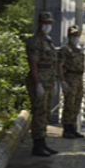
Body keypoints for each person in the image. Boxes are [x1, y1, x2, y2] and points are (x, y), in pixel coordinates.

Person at [25, 12, 59, 157]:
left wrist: (55, 80)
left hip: (49, 80)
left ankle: (43, 142)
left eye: (50, 23)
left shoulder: (48, 40)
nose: (48, 25)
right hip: (40, 79)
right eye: (45, 22)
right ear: (39, 23)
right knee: (39, 112)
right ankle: (37, 145)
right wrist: (37, 83)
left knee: (45, 113)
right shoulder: (35, 41)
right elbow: (33, 64)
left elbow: (53, 62)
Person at [58, 25, 85, 139]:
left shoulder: (78, 49)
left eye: (77, 35)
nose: (75, 37)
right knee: (69, 103)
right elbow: (59, 65)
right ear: (69, 36)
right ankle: (67, 128)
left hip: (79, 78)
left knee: (76, 104)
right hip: (70, 77)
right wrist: (63, 81)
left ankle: (73, 127)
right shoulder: (65, 49)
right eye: (73, 35)